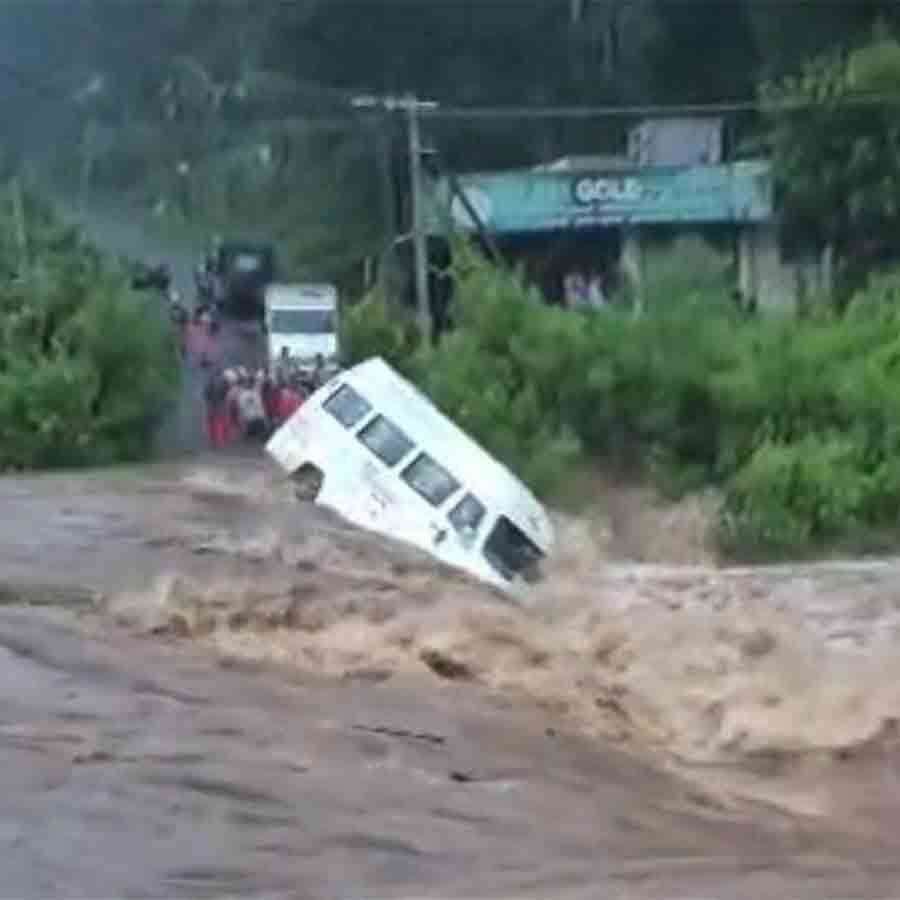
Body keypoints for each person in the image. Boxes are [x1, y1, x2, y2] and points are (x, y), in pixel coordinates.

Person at [204, 368, 231, 448]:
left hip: (212, 405)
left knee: (212, 423)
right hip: (221, 404)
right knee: (220, 423)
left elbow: (206, 393)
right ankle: (220, 441)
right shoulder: (224, 381)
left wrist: (209, 401)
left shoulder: (210, 381)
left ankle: (213, 441)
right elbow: (227, 391)